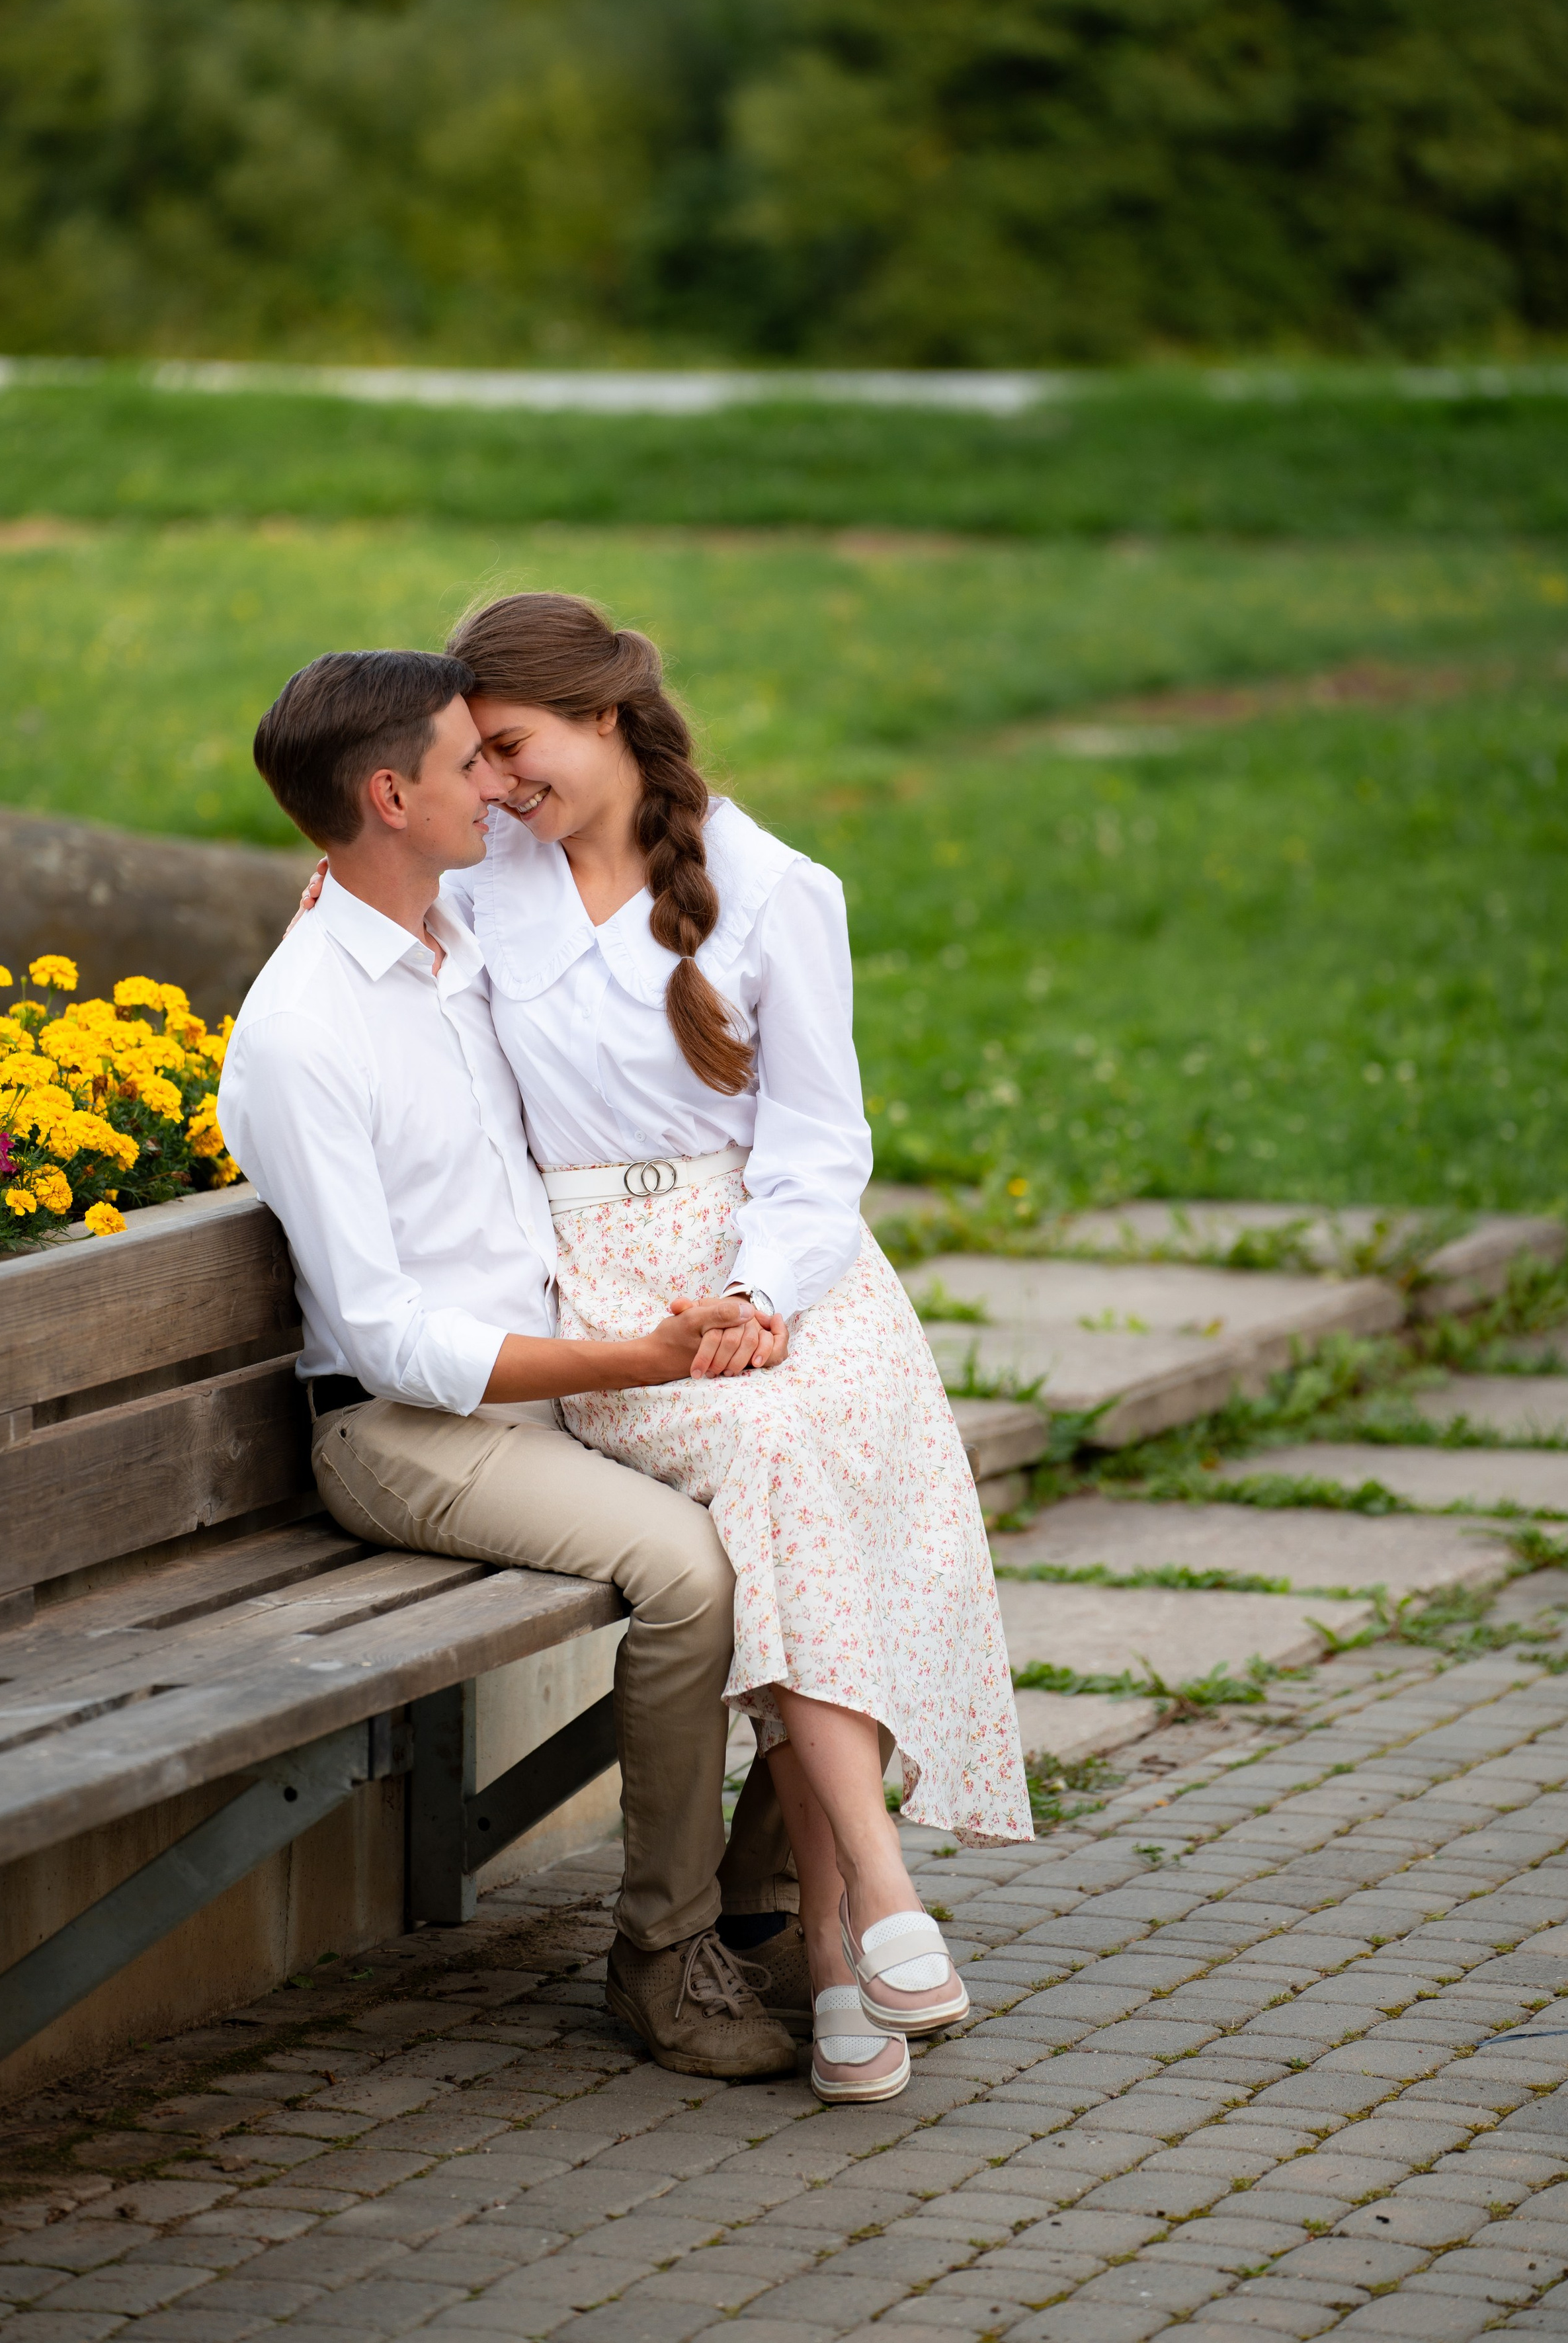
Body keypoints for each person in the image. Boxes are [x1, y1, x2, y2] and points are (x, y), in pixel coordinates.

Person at [445, 593, 1031, 2104]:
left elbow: (820, 1144)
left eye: (512, 747)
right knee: (774, 1456)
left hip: (788, 1274)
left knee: (815, 1452)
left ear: (605, 716)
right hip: (616, 1306)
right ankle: (874, 1899)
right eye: (477, 758)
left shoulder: (772, 889)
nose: (494, 782)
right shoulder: (480, 885)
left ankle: (834, 1958)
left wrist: (765, 1295)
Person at [217, 646, 802, 2082]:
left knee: (829, 1483)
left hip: (547, 1389)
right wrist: (625, 1355)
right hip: (406, 1430)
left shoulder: (455, 938)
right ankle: (662, 1957)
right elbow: (380, 1334)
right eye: (469, 762)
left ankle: (768, 1898)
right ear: (390, 796)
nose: (500, 782)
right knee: (689, 1571)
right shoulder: (304, 1031)